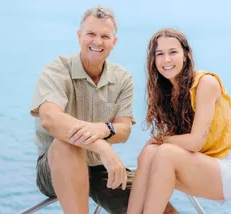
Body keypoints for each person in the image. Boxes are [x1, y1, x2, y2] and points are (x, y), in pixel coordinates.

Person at [30, 5, 178, 214]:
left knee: (161, 209)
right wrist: (101, 145)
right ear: (80, 36)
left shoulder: (122, 78)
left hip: (99, 169)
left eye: (105, 36)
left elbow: (123, 130)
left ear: (113, 42)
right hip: (55, 166)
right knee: (68, 145)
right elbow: (50, 119)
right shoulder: (57, 69)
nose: (97, 42)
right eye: (91, 34)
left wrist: (104, 129)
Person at [127, 28, 231, 214]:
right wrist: (156, 143)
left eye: (173, 52)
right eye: (159, 54)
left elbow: (195, 142)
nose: (166, 60)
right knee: (149, 153)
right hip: (199, 166)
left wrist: (161, 139)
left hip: (227, 171)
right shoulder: (168, 91)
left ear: (185, 55)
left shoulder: (206, 83)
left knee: (165, 152)